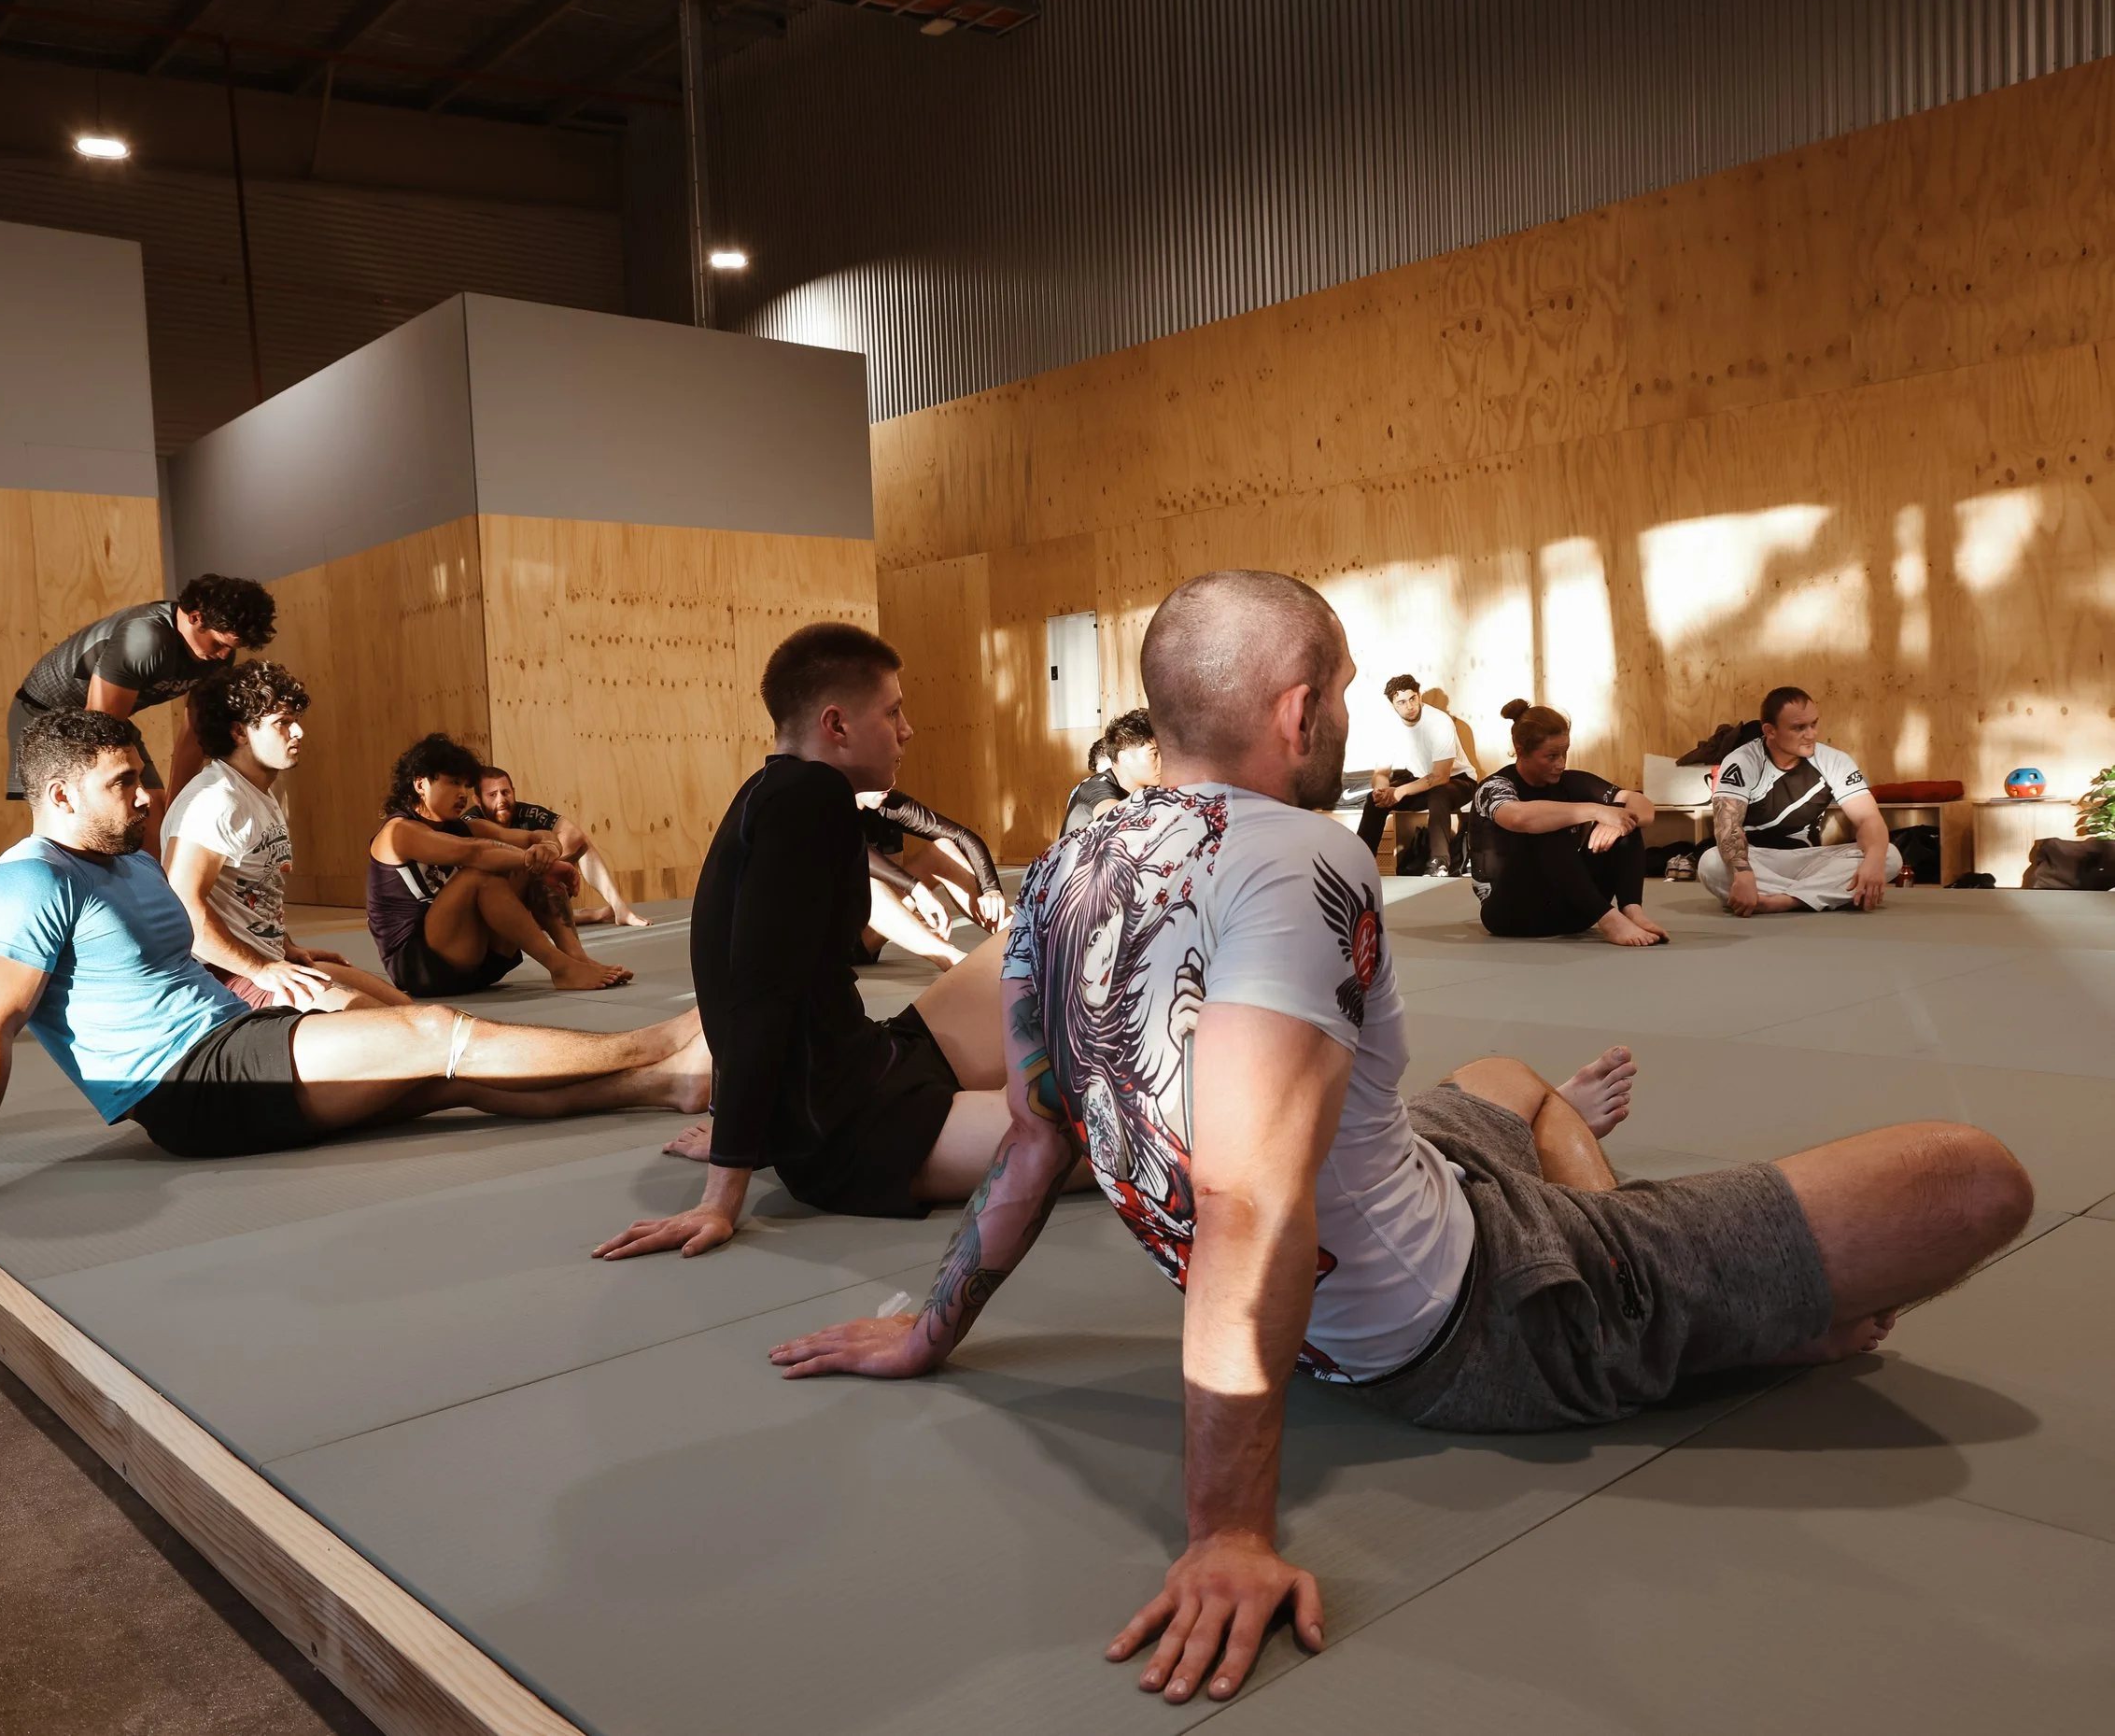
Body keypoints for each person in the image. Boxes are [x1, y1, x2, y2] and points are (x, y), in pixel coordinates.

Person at [768, 571, 2030, 1707]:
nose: (1353, 720)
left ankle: (1593, 1186)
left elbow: (1044, 1139)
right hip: (1484, 1313)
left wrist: (931, 1327)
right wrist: (1226, 1530)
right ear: (1298, 707)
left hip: (1409, 1189)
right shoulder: (1307, 855)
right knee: (1973, 1175)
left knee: (1499, 1077)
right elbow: (1251, 1197)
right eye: (1350, 697)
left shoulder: (1063, 866)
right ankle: (1668, 1291)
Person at [0, 710, 708, 1242]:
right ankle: (662, 1043)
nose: (146, 797)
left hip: (232, 1035)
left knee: (439, 1083)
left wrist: (285, 962)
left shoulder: (122, 861)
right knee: (434, 1034)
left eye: (143, 776)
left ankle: (663, 1089)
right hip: (187, 1082)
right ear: (58, 795)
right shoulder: (22, 885)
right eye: (123, 782)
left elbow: (177, 953)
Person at [595, 623, 1084, 1256]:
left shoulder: (777, 789)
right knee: (1121, 1134)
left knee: (1039, 933)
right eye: (893, 711)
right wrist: (727, 1183)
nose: (906, 729)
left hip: (874, 1059)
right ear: (837, 725)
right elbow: (756, 1000)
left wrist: (742, 1131)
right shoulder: (809, 799)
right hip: (853, 1129)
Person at [162, 661, 410, 1011]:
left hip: (267, 964)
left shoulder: (258, 793)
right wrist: (259, 968)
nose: (299, 733)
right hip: (225, 978)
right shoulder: (215, 801)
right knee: (395, 1032)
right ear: (239, 732)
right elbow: (184, 908)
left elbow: (253, 890)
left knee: (408, 1012)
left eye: (296, 720)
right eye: (283, 723)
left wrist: (285, 947)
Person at [8, 575, 277, 854]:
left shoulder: (217, 657)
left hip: (106, 720)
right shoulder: (146, 638)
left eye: (231, 648)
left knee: (154, 818)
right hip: (45, 716)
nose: (224, 656)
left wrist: (177, 810)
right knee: (91, 817)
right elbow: (97, 728)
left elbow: (194, 734)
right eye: (219, 644)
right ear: (196, 617)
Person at [368, 735, 631, 996]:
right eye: (453, 783)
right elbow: (475, 852)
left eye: (465, 785)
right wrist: (535, 860)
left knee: (531, 866)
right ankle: (560, 967)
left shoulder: (466, 826)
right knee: (482, 876)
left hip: (481, 961)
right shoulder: (398, 832)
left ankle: (576, 958)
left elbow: (536, 835)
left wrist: (548, 851)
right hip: (423, 968)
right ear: (420, 784)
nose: (462, 793)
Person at [1470, 699, 1669, 946]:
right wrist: (1596, 811)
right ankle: (1610, 921)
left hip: (1575, 909)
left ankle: (1631, 910)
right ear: (1521, 751)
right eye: (1551, 756)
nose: (1561, 763)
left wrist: (1617, 820)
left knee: (1624, 817)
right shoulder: (1494, 787)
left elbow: (1641, 804)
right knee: (1544, 824)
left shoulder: (1569, 781)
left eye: (1565, 753)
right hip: (1511, 913)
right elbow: (1519, 817)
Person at [1699, 686, 1892, 914]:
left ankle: (1782, 901)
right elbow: (1727, 827)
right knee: (1710, 863)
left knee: (1888, 854)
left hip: (1809, 861)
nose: (1811, 734)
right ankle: (1819, 895)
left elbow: (1868, 818)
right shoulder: (1742, 761)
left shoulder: (1835, 761)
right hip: (1758, 860)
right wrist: (1743, 873)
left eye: (1813, 724)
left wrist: (1874, 858)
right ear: (1770, 731)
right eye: (1799, 728)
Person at [474, 767, 650, 927]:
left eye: (506, 792)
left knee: (582, 845)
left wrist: (548, 859)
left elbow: (573, 834)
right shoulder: (470, 823)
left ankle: (619, 908)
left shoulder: (526, 812)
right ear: (478, 800)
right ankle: (592, 916)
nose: (501, 800)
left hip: (528, 883)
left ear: (514, 792)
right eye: (492, 795)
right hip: (493, 897)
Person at [858, 787, 1008, 969]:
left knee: (943, 849)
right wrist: (916, 889)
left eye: (894, 766)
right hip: (837, 943)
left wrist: (991, 889)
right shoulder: (823, 808)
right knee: (871, 882)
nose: (889, 783)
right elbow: (858, 852)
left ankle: (1019, 936)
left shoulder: (885, 800)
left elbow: (963, 836)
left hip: (873, 923)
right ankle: (951, 958)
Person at [1353, 673, 1474, 875]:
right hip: (1421, 781)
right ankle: (1360, 863)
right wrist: (1382, 790)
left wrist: (1399, 792)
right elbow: (1382, 771)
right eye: (1401, 702)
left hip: (1459, 781)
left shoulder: (1438, 721)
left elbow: (1441, 776)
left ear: (1418, 696)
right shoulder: (1390, 727)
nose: (1409, 706)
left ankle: (1439, 862)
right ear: (1393, 704)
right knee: (1374, 800)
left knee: (1439, 793)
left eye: (1412, 698)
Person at [1062, 708, 1161, 835]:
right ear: (1125, 758)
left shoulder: (1151, 787)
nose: (1163, 761)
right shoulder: (1094, 787)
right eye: (1154, 754)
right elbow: (1121, 821)